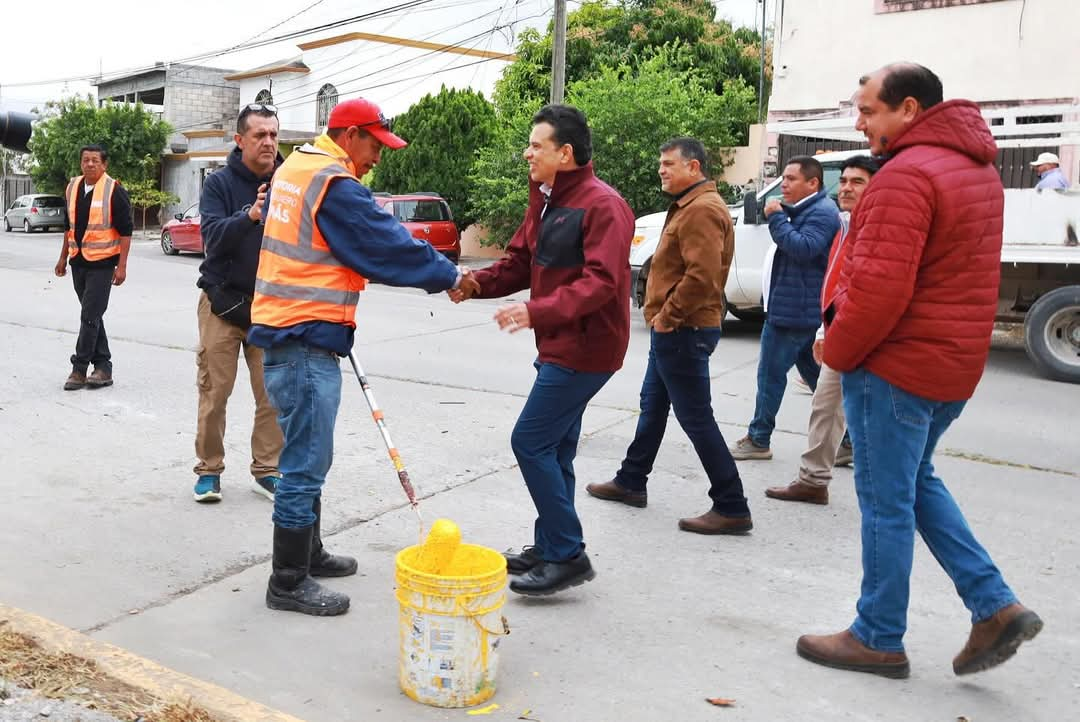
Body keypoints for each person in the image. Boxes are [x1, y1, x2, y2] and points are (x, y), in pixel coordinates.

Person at [797, 63, 1042, 679]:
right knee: (913, 483)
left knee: (885, 501)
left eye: (868, 111)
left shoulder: (905, 175)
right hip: (950, 364)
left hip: (897, 366)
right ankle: (994, 605)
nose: (860, 122)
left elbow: (878, 291)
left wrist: (839, 350)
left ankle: (877, 636)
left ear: (908, 109)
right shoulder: (977, 169)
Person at [248, 97, 466, 616]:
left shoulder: (295, 168)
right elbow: (383, 243)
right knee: (305, 461)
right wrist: (451, 275)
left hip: (291, 332)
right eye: (375, 144)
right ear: (349, 136)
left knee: (309, 451)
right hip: (302, 338)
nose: (378, 157)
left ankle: (311, 552)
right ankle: (288, 580)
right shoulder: (334, 183)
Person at [451, 104, 634, 596]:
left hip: (587, 348)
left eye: (536, 145)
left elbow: (601, 283)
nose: (527, 153)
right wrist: (473, 284)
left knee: (530, 442)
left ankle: (569, 553)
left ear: (565, 152)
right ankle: (552, 545)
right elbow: (519, 263)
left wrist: (538, 311)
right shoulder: (547, 199)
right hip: (558, 342)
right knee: (556, 447)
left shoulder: (603, 205)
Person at [584, 137, 751, 535]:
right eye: (661, 162)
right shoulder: (691, 206)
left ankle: (731, 504)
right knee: (653, 407)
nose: (661, 169)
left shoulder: (702, 210)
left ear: (694, 168)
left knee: (696, 418)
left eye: (668, 163)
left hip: (684, 329)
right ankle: (631, 480)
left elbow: (702, 276)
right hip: (675, 329)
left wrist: (667, 317)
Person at [765, 155, 878, 505]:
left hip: (865, 334)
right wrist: (824, 330)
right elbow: (836, 281)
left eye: (857, 182)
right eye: (843, 181)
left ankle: (892, 495)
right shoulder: (846, 223)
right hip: (838, 328)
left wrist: (778, 219)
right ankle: (814, 480)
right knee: (826, 404)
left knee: (869, 412)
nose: (845, 188)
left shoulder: (875, 228)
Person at [191, 104, 286, 504]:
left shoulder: (290, 182)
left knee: (273, 394)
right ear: (240, 139)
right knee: (216, 392)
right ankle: (208, 471)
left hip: (270, 305)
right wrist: (249, 216)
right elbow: (211, 236)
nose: (268, 142)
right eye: (259, 135)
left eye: (273, 135)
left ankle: (266, 470)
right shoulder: (219, 183)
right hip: (222, 303)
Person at [730, 156, 840, 461]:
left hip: (793, 312)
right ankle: (848, 441)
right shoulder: (812, 208)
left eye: (791, 179)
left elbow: (803, 248)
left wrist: (777, 217)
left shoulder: (822, 213)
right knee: (819, 379)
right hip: (796, 308)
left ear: (813, 183)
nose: (784, 185)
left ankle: (758, 438)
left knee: (770, 376)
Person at [54, 145, 133, 391]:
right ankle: (103, 367)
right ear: (81, 163)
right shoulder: (72, 188)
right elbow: (69, 227)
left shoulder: (114, 190)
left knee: (89, 315)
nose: (90, 164)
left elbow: (126, 232)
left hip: (103, 264)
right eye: (86, 160)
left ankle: (79, 369)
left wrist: (122, 267)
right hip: (78, 262)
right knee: (93, 315)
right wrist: (62, 258)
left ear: (104, 165)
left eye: (95, 160)